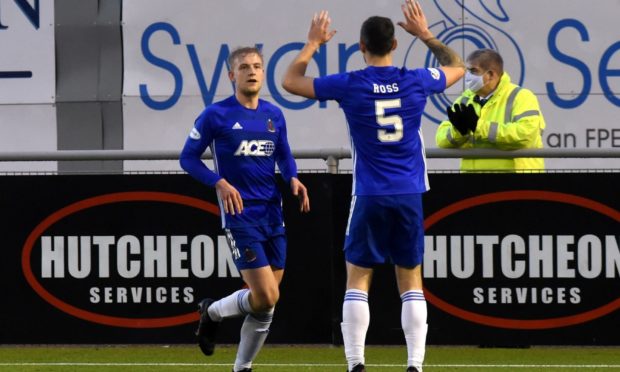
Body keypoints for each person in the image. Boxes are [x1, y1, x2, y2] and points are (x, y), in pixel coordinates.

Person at [282, 1, 464, 371]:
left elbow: (291, 82)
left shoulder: (351, 84)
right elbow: (458, 66)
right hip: (409, 192)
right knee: (410, 278)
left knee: (358, 276)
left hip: (369, 193)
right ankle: (414, 364)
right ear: (395, 44)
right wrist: (426, 34)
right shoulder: (415, 80)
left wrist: (313, 44)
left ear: (361, 47)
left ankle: (356, 364)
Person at [180, 46, 310, 372]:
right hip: (240, 216)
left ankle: (241, 367)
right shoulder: (216, 115)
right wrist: (219, 183)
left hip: (273, 214)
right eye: (244, 67)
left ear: (263, 73)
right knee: (265, 295)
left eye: (256, 66)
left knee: (266, 304)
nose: (251, 72)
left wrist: (293, 178)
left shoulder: (273, 114)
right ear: (231, 75)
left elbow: (284, 153)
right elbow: (188, 158)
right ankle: (211, 313)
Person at [436, 48, 546, 171]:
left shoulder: (521, 97)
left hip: (516, 182)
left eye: (473, 71)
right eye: (467, 71)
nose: (467, 76)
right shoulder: (464, 100)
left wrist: (477, 127)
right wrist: (459, 132)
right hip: (474, 184)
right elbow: (441, 139)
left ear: (491, 75)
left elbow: (525, 135)